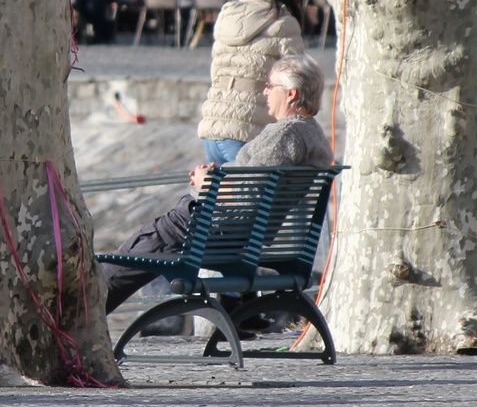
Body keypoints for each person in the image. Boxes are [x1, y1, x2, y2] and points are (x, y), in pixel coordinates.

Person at [102, 55, 333, 313]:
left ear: (291, 94)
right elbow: (258, 183)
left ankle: (77, 315)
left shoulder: (286, 135)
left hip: (206, 229)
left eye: (271, 86)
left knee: (124, 261)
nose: (265, 91)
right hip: (236, 234)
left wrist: (207, 183)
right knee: (134, 254)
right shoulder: (312, 135)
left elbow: (250, 193)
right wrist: (221, 174)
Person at [198, 0, 305, 164]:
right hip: (249, 132)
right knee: (273, 196)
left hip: (212, 128)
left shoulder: (228, 15)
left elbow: (216, 72)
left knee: (224, 197)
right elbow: (298, 83)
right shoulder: (284, 22)